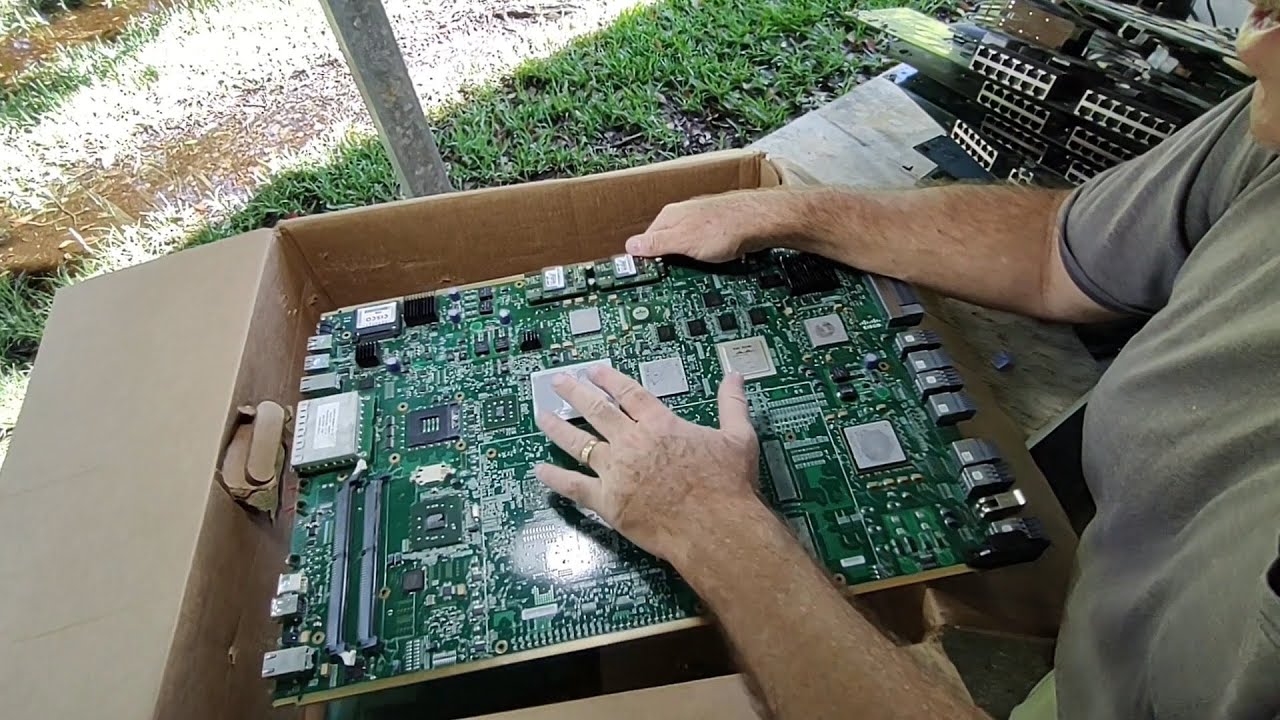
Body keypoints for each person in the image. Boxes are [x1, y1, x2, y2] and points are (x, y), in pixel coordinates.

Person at [532, 5, 1280, 719]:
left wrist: (707, 522)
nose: (1250, 48)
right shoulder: (1269, 129)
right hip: (1106, 644)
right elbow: (1060, 247)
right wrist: (796, 213)